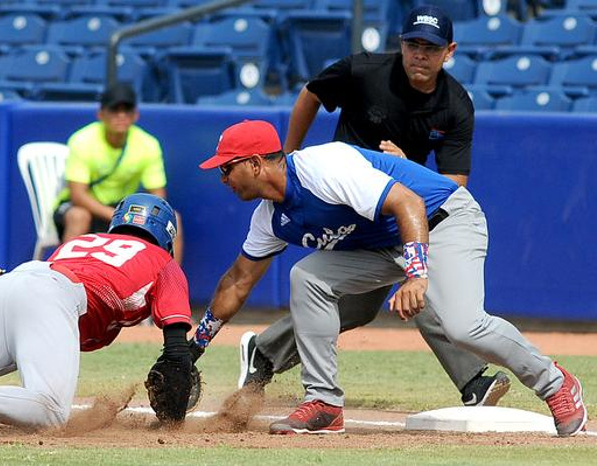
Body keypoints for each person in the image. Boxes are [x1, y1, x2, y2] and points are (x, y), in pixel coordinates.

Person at [190, 120, 587, 437]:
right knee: (307, 277)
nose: (223, 177)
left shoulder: (322, 166)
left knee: (464, 326)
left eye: (227, 167)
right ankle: (324, 404)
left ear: (256, 163)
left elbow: (408, 202)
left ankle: (555, 384)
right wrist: (192, 349)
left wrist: (416, 274)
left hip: (442, 219)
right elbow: (237, 282)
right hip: (384, 244)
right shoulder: (269, 218)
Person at [238, 4, 503, 408]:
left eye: (429, 47)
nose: (420, 54)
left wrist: (407, 167)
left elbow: (455, 186)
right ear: (400, 45)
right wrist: (289, 157)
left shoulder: (455, 103)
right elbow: (311, 93)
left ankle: (265, 352)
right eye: (413, 44)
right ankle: (473, 381)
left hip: (400, 208)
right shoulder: (364, 70)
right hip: (347, 204)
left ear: (448, 51)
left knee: (363, 306)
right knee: (414, 284)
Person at [0, 194, 196, 433]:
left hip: (2, 284)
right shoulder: (163, 261)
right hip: (50, 296)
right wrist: (175, 407)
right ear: (167, 236)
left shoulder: (80, 242)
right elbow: (177, 349)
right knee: (50, 410)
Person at [53, 82, 184, 264]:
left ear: (135, 114)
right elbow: (78, 195)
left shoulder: (148, 144)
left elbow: (158, 197)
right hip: (85, 207)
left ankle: (169, 283)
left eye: (127, 109)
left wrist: (140, 217)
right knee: (78, 216)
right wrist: (118, 216)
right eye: (114, 109)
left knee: (171, 219)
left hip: (123, 210)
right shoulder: (82, 140)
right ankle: (62, 278)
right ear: (101, 114)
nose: (121, 115)